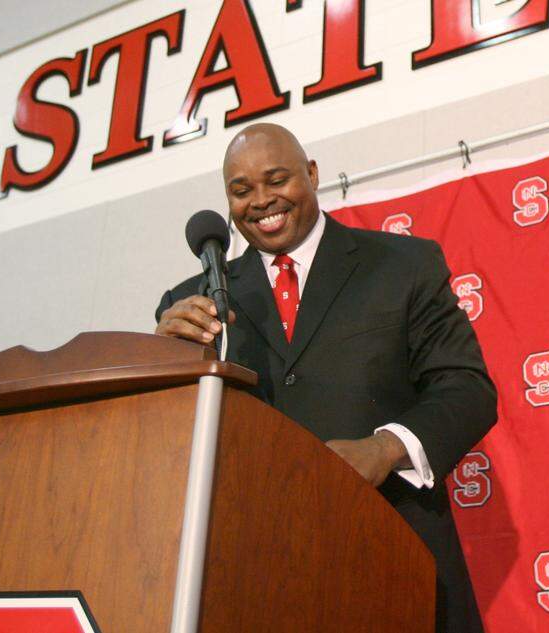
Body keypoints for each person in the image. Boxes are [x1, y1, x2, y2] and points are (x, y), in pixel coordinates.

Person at [156, 123, 497, 633]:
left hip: (394, 553)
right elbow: (173, 445)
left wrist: (384, 449)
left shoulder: (403, 265)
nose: (261, 201)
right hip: (254, 578)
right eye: (242, 190)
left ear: (312, 174)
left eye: (277, 180)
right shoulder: (193, 302)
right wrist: (162, 362)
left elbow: (467, 390)